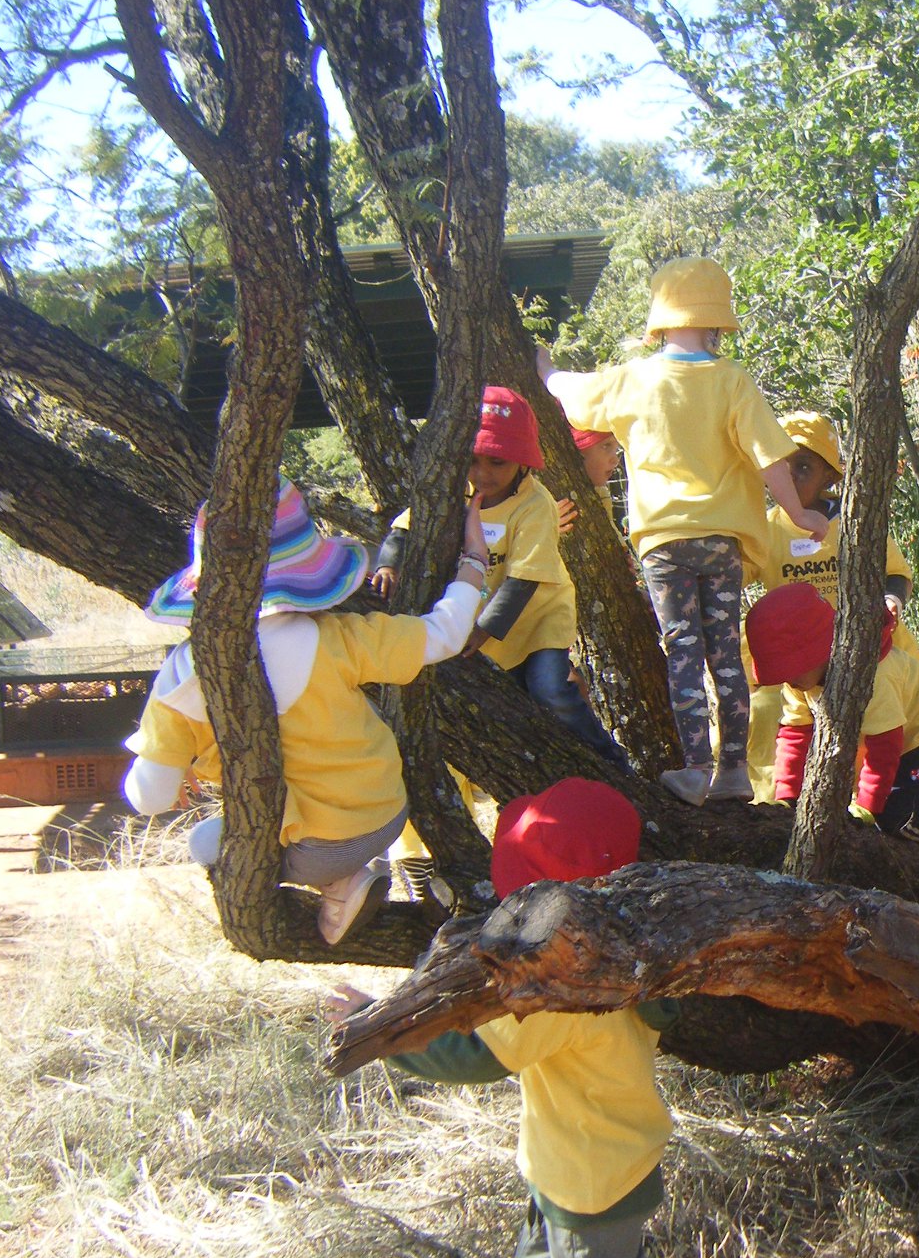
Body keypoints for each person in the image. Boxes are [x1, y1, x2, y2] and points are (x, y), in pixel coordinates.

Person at [325, 779, 675, 1258]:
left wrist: (383, 1028)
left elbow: (470, 1054)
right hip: (587, 1164)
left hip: (589, 1185)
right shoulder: (631, 953)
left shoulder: (560, 994)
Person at [123, 477, 488, 944]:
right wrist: (474, 560)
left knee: (204, 841)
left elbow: (150, 798)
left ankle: (336, 882)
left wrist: (169, 760)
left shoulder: (183, 676)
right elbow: (445, 634)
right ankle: (348, 878)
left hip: (318, 848)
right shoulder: (341, 636)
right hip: (387, 814)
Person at [538, 258, 829, 807]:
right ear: (717, 320)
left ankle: (696, 770)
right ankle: (735, 772)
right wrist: (798, 513)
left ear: (661, 319)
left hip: (664, 544)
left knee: (683, 653)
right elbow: (770, 459)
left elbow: (570, 390)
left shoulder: (632, 379)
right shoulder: (732, 381)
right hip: (721, 542)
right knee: (726, 654)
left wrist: (545, 368)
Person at [372, 385, 631, 775]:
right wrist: (388, 565)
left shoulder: (534, 505)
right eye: (473, 461)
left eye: (497, 462)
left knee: (550, 691)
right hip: (484, 622)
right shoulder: (452, 491)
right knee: (512, 711)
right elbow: (405, 529)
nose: (483, 474)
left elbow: (523, 579)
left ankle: (612, 764)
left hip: (538, 619)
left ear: (522, 461)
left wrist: (482, 630)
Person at [744, 581, 919, 874]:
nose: (788, 680)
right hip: (886, 745)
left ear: (816, 651)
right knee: (870, 813)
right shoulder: (801, 683)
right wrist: (788, 797)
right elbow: (794, 735)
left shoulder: (873, 676)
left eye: (790, 670)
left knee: (893, 815)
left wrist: (868, 806)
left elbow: (884, 746)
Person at [743, 410, 917, 802]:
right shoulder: (767, 530)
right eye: (781, 467)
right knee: (787, 729)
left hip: (872, 656)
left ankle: (878, 813)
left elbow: (896, 573)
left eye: (803, 467)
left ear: (829, 476)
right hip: (806, 667)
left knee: (880, 749)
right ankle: (784, 804)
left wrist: (890, 600)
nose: (790, 477)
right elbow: (738, 570)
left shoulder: (853, 523)